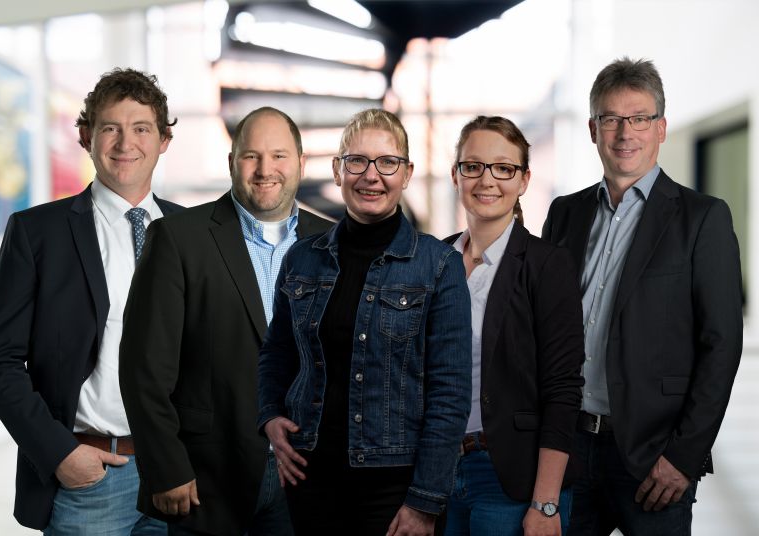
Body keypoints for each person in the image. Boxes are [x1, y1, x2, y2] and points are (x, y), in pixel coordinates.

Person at [0, 67, 182, 534]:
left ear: (164, 140)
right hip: (90, 481)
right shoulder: (37, 233)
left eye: (141, 128)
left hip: (180, 475)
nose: (125, 143)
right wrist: (59, 454)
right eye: (110, 128)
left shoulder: (193, 233)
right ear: (87, 137)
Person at [541, 57, 743, 535]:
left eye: (639, 118)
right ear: (593, 129)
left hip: (654, 457)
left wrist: (684, 456)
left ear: (661, 128)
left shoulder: (702, 218)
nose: (624, 133)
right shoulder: (564, 214)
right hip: (567, 448)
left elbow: (721, 345)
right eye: (611, 119)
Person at [257, 108, 472, 536]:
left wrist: (425, 500)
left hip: (395, 489)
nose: (371, 176)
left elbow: (450, 394)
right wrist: (269, 416)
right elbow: (277, 353)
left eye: (387, 162)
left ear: (406, 173)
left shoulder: (439, 265)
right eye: (357, 161)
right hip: (310, 480)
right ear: (338, 171)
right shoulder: (302, 258)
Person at [118, 106, 332, 535]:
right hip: (206, 481)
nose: (265, 170)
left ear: (301, 163)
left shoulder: (332, 242)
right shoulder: (178, 238)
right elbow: (144, 369)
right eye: (251, 156)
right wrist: (166, 467)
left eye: (279, 156)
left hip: (307, 479)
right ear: (232, 162)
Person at [443, 116, 585, 536]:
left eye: (503, 168)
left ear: (523, 180)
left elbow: (562, 390)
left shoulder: (547, 265)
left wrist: (545, 502)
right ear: (455, 174)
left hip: (511, 478)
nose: (487, 180)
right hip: (438, 473)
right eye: (473, 166)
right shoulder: (435, 259)